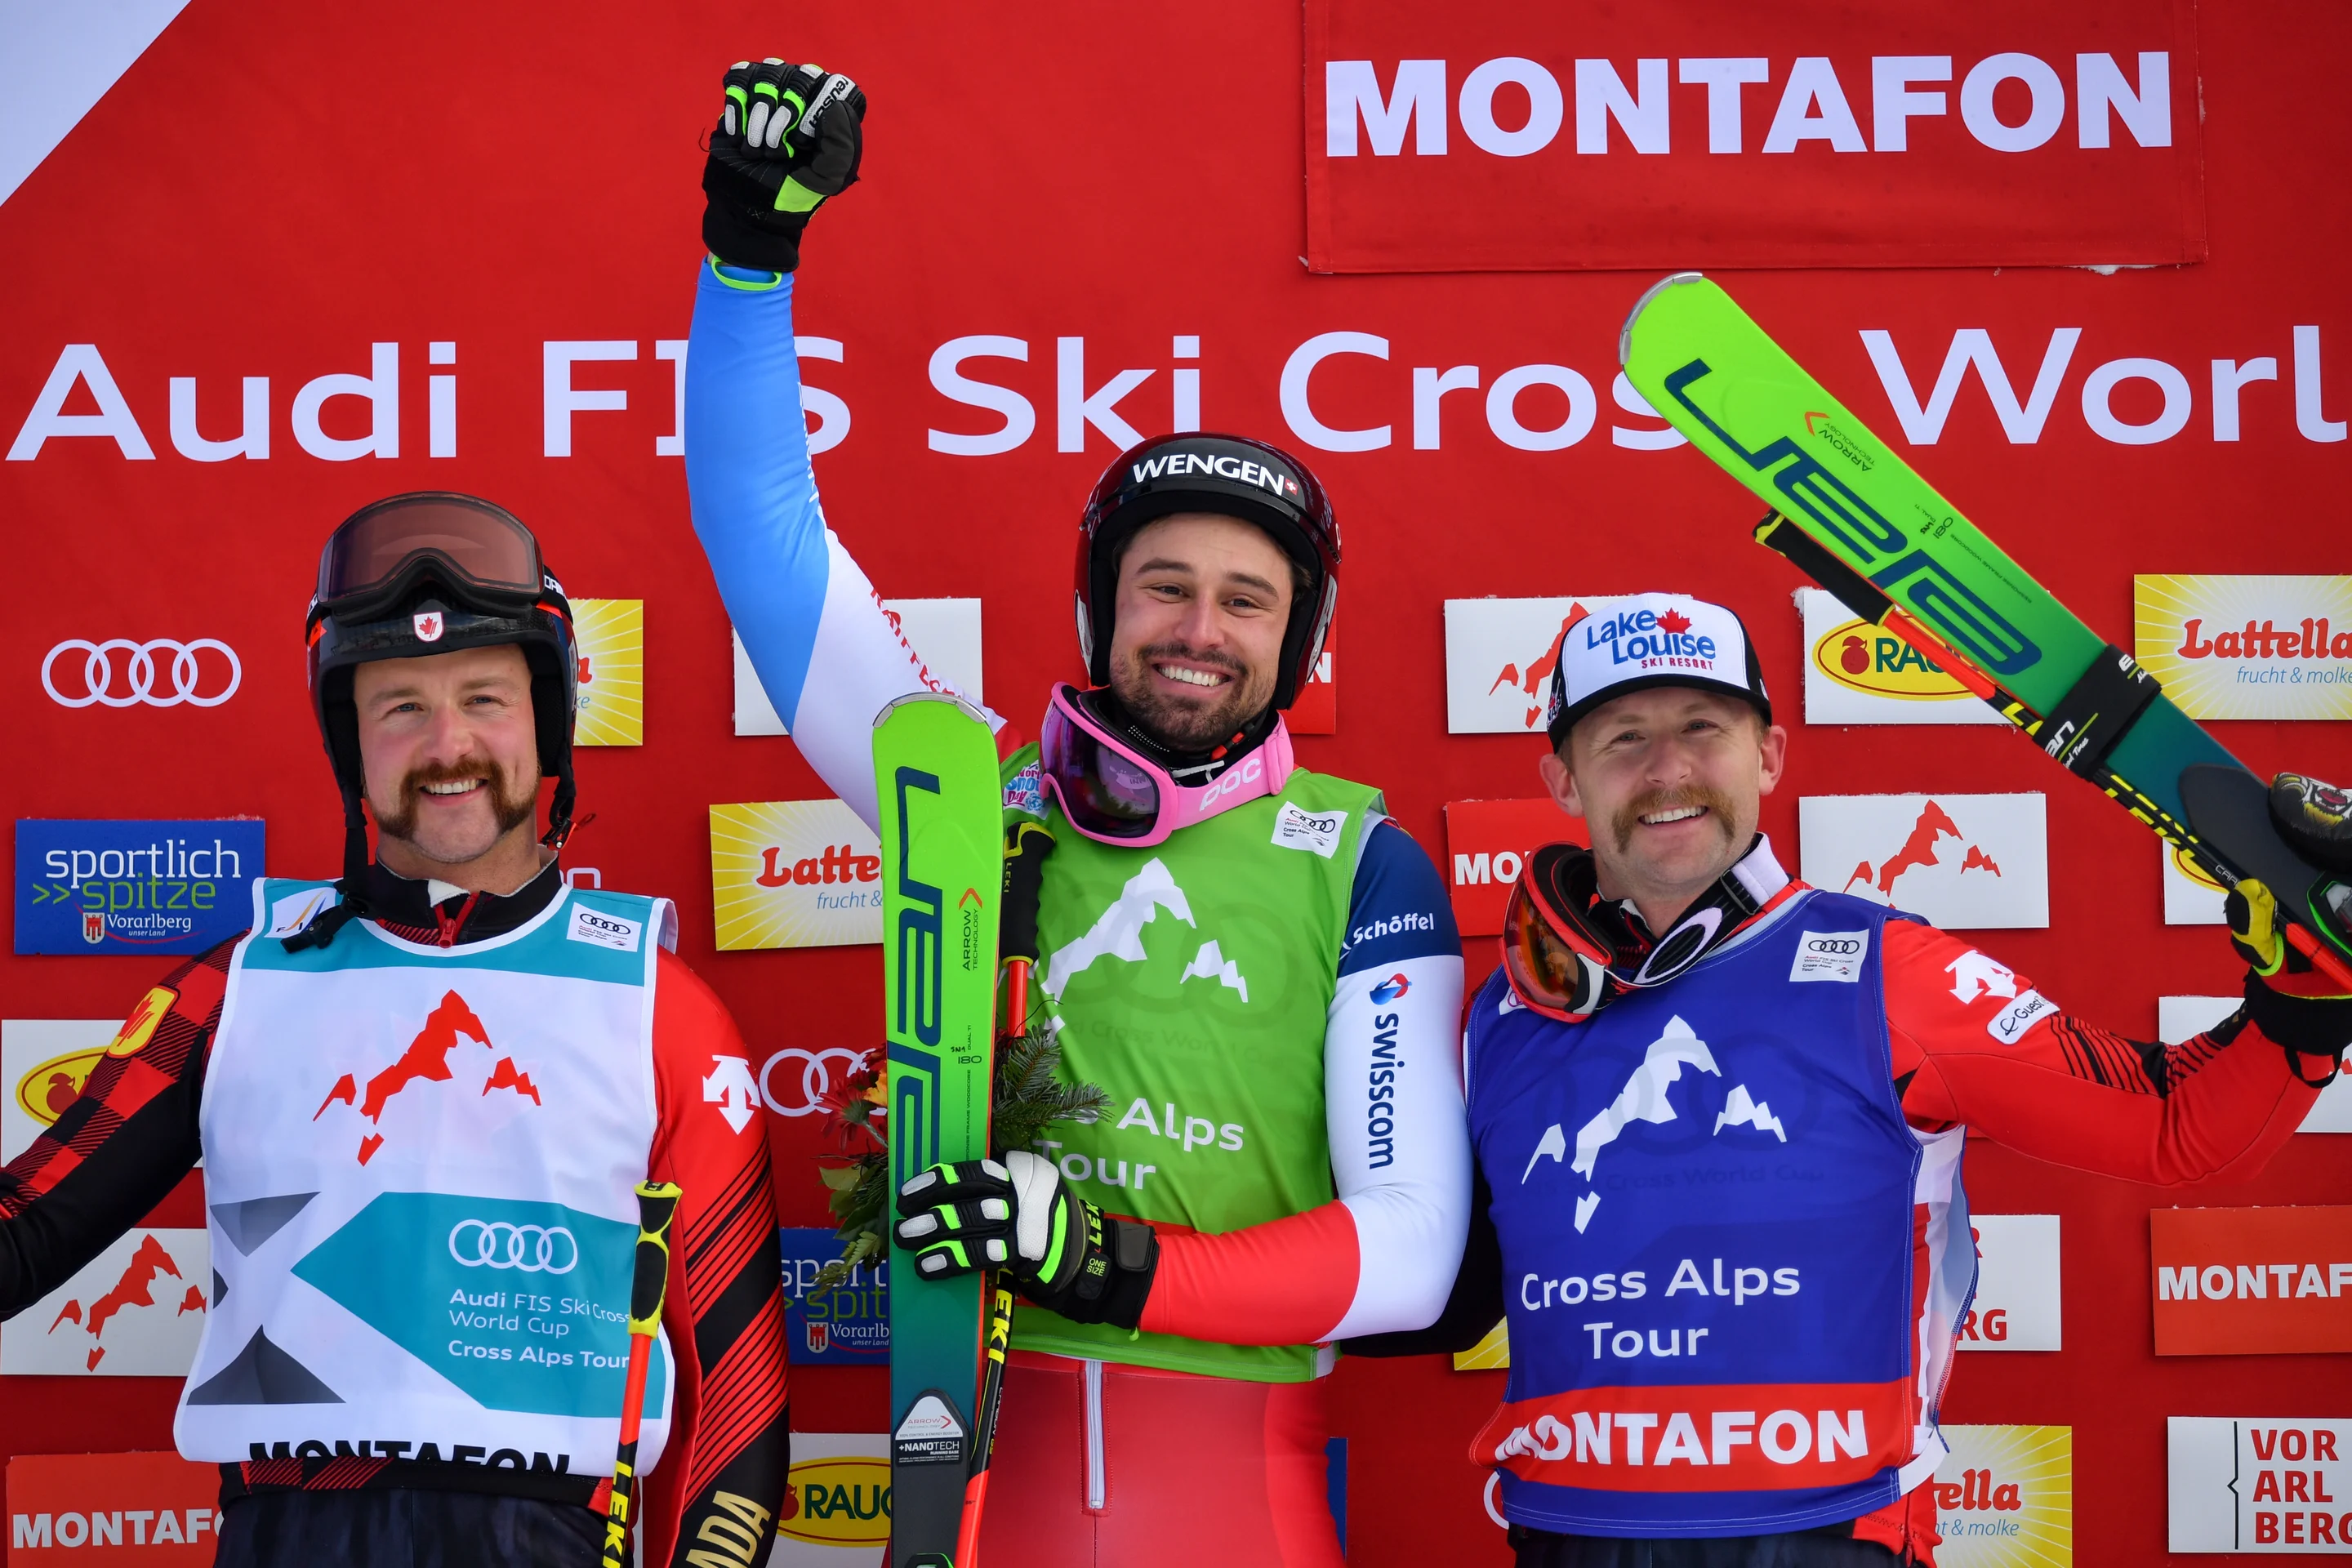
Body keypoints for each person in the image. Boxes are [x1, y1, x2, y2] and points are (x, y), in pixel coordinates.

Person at [684, 59, 1468, 1566]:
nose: (1199, 630)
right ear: (1098, 611)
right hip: (984, 1481)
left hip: (1236, 1501)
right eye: (1161, 586)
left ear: (1301, 641)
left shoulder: (1362, 860)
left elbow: (1411, 1250)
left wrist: (1101, 1259)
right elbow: (765, 542)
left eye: (1248, 600)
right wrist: (748, 259)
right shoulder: (973, 802)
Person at [1350, 592, 2352, 1568]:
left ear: (1769, 756)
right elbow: (1438, 1281)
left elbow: (2174, 1124)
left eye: (1703, 728)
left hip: (1825, 1536)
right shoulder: (1506, 1014)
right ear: (1564, 781)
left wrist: (2302, 994)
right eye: (1623, 739)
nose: (1668, 769)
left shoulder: (1888, 972)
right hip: (1567, 1535)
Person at [0, 494, 790, 1568]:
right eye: (401, 707)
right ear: (352, 746)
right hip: (288, 1530)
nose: (447, 744)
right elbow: (25, 1233)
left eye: (484, 699)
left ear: (547, 722)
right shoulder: (235, 990)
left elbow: (737, 1397)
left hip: (549, 1537)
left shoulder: (662, 1006)